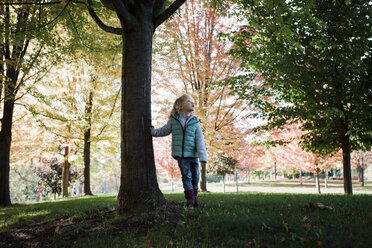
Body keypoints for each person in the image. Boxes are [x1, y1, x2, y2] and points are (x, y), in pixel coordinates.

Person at [150, 94, 208, 207]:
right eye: (189, 101)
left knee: (195, 176)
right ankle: (190, 198)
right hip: (182, 156)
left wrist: (203, 157)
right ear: (180, 106)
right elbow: (165, 130)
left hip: (193, 155)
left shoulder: (195, 122)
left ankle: (195, 197)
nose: (193, 103)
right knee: (186, 176)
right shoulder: (174, 120)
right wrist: (153, 132)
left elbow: (200, 140)